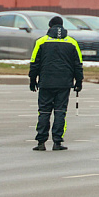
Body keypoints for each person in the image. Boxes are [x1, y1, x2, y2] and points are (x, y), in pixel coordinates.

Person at [28, 16, 83, 151]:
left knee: (44, 111)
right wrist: (79, 81)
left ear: (50, 27)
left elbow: (34, 62)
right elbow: (78, 64)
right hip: (64, 84)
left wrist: (32, 80)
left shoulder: (41, 42)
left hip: (46, 83)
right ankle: (57, 142)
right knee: (60, 111)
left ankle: (41, 142)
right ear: (62, 27)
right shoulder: (72, 42)